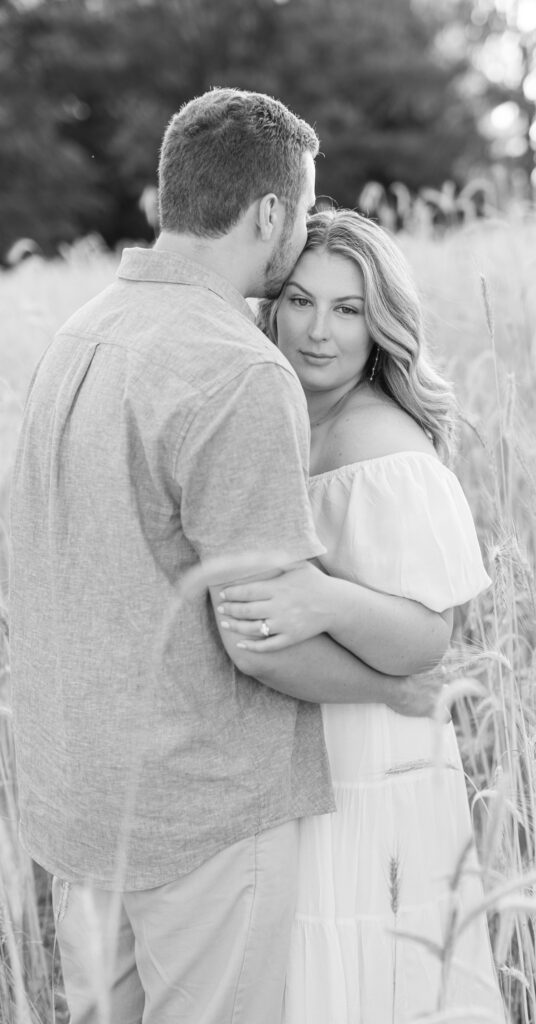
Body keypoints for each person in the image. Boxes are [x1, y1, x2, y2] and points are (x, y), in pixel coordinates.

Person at [9, 89, 446, 1024]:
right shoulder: (236, 369)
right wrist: (392, 687)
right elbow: (260, 639)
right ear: (271, 212)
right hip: (194, 813)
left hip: (77, 799)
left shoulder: (80, 330)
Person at [216, 209, 506, 1023]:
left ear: (380, 326)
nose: (317, 332)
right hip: (305, 742)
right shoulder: (287, 419)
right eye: (300, 301)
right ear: (270, 305)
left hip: (373, 758)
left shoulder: (385, 450)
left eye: (347, 310)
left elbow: (427, 641)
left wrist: (324, 598)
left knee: (371, 965)